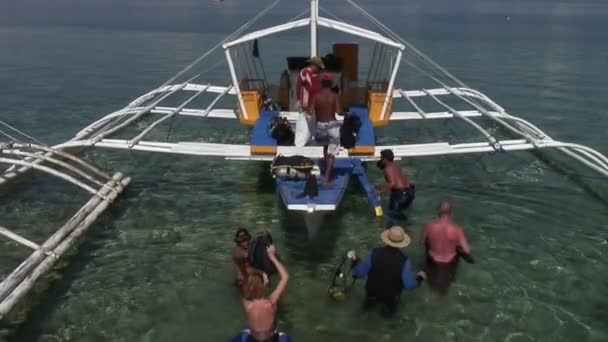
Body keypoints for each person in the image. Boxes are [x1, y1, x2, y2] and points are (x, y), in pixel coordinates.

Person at [348, 226, 426, 317]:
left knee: (364, 316)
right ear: (402, 243)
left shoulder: (374, 253)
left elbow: (360, 273)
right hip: (390, 299)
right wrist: (420, 278)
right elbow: (409, 285)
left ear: (386, 239)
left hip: (372, 295)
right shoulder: (404, 261)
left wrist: (354, 261)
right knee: (388, 324)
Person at [421, 200, 473, 295]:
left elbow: (422, 242)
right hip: (450, 263)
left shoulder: (428, 226)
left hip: (433, 261)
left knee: (431, 289)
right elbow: (467, 251)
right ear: (451, 212)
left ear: (437, 211)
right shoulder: (457, 229)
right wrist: (456, 245)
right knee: (444, 292)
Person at [242, 244, 289, 342]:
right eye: (265, 278)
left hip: (253, 340)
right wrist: (272, 257)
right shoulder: (271, 302)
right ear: (263, 285)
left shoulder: (246, 302)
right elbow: (285, 277)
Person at [309, 73, 344, 185]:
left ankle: (325, 171)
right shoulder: (335, 96)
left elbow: (309, 112)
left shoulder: (316, 96)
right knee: (332, 153)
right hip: (333, 125)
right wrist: (346, 113)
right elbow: (339, 112)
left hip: (321, 125)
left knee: (325, 148)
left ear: (321, 83)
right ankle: (327, 179)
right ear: (331, 83)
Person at [374, 149, 416, 214]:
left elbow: (392, 183)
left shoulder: (387, 168)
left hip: (399, 194)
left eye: (381, 158)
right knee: (399, 213)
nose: (380, 159)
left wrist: (380, 191)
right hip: (409, 192)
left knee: (393, 215)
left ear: (385, 159)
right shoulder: (396, 166)